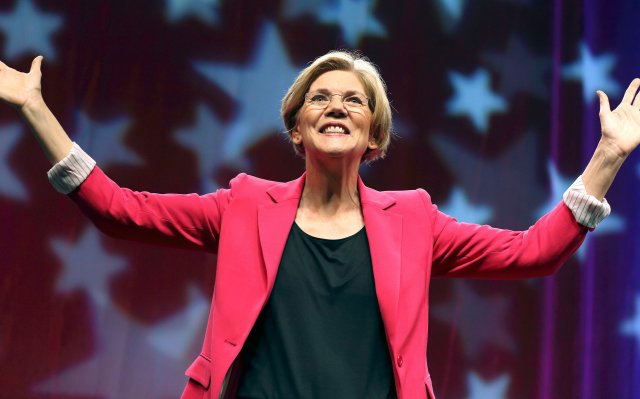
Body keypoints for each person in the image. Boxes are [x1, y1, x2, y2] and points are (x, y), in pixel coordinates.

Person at [0, 50, 638, 399]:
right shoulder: (245, 203)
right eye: (320, 97)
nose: (336, 104)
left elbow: (534, 252)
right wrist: (36, 108)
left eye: (353, 99)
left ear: (373, 131)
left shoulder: (414, 218)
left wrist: (607, 155)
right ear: (297, 125)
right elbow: (117, 208)